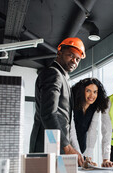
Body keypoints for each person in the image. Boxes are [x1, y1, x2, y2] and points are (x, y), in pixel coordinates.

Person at [29, 37, 85, 166]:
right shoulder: (53, 74)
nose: (74, 61)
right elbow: (48, 113)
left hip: (55, 144)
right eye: (70, 55)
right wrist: (67, 147)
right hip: (45, 145)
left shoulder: (62, 77)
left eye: (77, 59)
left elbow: (64, 120)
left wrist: (67, 146)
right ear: (59, 53)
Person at [72, 78, 112, 164]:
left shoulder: (95, 107)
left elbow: (92, 130)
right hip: (69, 147)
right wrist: (79, 155)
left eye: (95, 92)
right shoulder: (72, 104)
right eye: (88, 91)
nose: (92, 95)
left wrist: (88, 156)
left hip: (82, 147)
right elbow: (71, 131)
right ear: (82, 91)